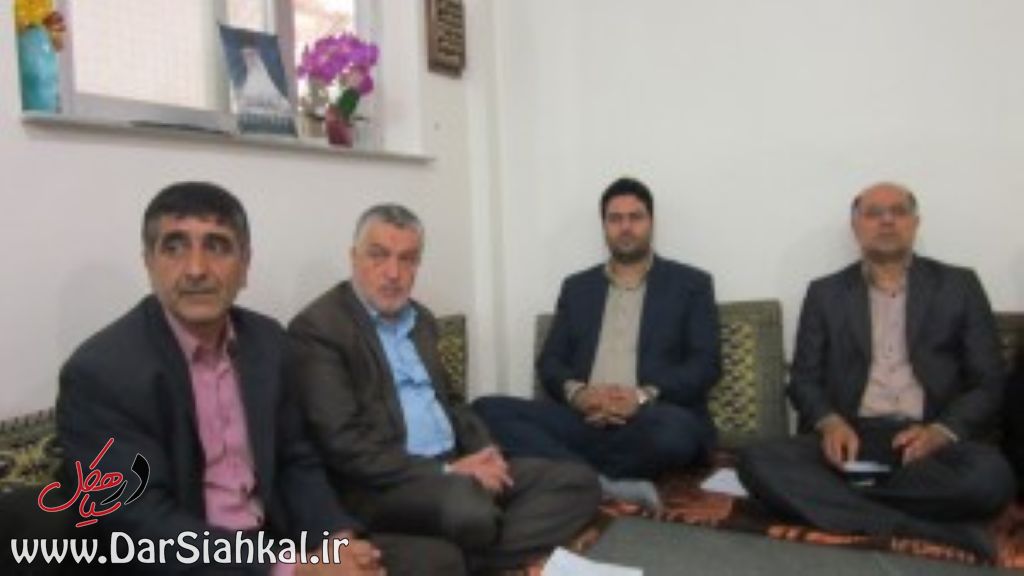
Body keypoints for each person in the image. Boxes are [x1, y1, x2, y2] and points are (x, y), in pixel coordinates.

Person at [55, 182, 460, 575]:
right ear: (149, 263)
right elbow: (140, 524)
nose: (196, 269)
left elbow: (296, 460)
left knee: (437, 562)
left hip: (275, 541)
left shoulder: (267, 342)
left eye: (217, 246)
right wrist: (293, 568)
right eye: (174, 247)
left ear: (245, 265)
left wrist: (337, 542)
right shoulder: (103, 373)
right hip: (188, 561)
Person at [286, 204, 601, 573]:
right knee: (471, 509)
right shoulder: (319, 329)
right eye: (379, 255)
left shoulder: (421, 319)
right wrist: (448, 472)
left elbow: (452, 402)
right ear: (353, 257)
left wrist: (486, 451)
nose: (393, 273)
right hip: (384, 483)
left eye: (407, 259)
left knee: (578, 483)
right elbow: (345, 445)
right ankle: (476, 550)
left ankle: (461, 561)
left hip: (454, 466)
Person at [737, 182, 1016, 560]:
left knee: (991, 478)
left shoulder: (959, 285)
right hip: (852, 439)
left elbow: (989, 381)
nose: (886, 221)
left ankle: (843, 504)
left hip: (928, 446)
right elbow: (803, 379)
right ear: (856, 227)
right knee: (757, 461)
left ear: (915, 223)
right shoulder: (825, 292)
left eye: (898, 211)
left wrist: (939, 433)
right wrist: (830, 422)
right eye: (873, 213)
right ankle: (925, 530)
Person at [473, 177, 721, 510]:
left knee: (676, 434)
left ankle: (569, 468)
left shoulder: (691, 284)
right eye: (615, 219)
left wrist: (640, 397)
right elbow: (550, 361)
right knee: (484, 410)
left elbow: (705, 365)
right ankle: (603, 482)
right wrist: (580, 395)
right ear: (604, 226)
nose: (626, 227)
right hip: (584, 421)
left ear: (651, 222)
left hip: (650, 420)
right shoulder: (578, 287)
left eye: (635, 217)